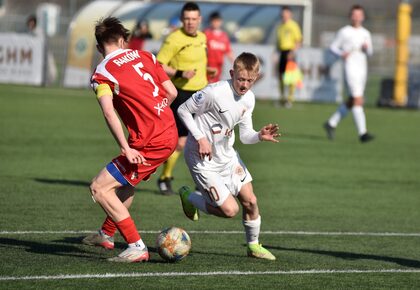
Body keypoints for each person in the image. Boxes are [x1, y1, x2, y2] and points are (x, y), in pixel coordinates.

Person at [82, 17, 178, 263]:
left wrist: (125, 148)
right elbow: (172, 92)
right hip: (168, 131)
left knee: (100, 187)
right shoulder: (144, 55)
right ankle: (106, 233)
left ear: (98, 46)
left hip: (150, 140)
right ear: (123, 40)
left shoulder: (102, 74)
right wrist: (156, 113)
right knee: (124, 184)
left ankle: (136, 246)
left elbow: (107, 111)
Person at [177, 52, 280, 260]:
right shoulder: (214, 92)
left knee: (250, 201)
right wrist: (200, 138)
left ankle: (253, 246)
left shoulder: (249, 99)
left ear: (257, 78)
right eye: (240, 79)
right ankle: (189, 196)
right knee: (229, 210)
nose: (244, 84)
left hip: (227, 157)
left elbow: (245, 136)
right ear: (232, 73)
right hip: (202, 159)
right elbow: (183, 110)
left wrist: (259, 135)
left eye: (250, 80)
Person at [156, 2, 208, 195]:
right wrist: (179, 72)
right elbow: (158, 65)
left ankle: (203, 181)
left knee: (206, 138)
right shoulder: (174, 39)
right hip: (183, 96)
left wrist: (206, 72)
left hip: (202, 94)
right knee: (181, 142)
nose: (190, 23)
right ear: (182, 19)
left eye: (194, 19)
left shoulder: (203, 37)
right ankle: (164, 178)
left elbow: (199, 62)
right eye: (187, 19)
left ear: (199, 20)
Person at [323, 4, 374, 143]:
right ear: (350, 16)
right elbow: (333, 47)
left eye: (359, 15)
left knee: (352, 101)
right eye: (354, 14)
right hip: (350, 68)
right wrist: (341, 54)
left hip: (362, 69)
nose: (356, 17)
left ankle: (331, 123)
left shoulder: (366, 33)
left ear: (363, 17)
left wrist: (366, 48)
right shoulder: (344, 31)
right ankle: (363, 133)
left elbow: (370, 53)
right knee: (358, 100)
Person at [276, 6, 302, 108]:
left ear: (290, 14)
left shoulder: (293, 25)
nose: (284, 16)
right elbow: (278, 42)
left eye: (286, 14)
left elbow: (298, 41)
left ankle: (289, 100)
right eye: (283, 14)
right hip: (282, 52)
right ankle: (282, 98)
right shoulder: (280, 26)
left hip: (290, 52)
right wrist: (276, 53)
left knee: (291, 77)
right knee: (281, 76)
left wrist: (293, 52)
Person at [204, 12, 234, 83]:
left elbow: (228, 51)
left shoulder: (224, 36)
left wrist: (235, 62)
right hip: (208, 66)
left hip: (219, 66)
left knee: (215, 85)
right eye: (214, 21)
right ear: (210, 22)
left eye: (217, 21)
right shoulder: (206, 34)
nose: (216, 23)